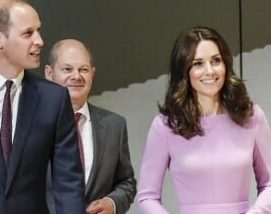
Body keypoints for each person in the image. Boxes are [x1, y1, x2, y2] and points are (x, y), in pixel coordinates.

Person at [137, 26, 271, 214]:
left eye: (216, 61)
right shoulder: (165, 126)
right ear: (184, 70)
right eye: (198, 63)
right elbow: (147, 197)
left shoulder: (252, 117)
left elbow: (269, 185)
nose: (209, 70)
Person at [0, 0, 85, 214]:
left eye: (39, 31)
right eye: (28, 33)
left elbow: (68, 181)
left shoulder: (54, 99)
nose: (40, 41)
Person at [45, 39, 136, 214]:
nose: (76, 76)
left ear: (92, 74)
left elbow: (126, 182)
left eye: (83, 69)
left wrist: (111, 203)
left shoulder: (114, 125)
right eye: (67, 69)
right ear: (49, 73)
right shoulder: (29, 124)